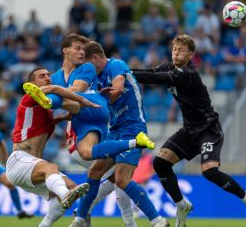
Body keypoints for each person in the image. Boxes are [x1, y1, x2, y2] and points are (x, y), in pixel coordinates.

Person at [25, 34, 157, 226]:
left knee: (118, 177)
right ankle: (83, 217)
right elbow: (59, 97)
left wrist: (52, 92)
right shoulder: (56, 76)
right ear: (65, 50)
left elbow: (76, 90)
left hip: (93, 113)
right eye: (77, 48)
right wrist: (55, 110)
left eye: (82, 49)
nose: (80, 52)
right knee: (104, 173)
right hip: (80, 125)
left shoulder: (86, 68)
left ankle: (137, 221)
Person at [132, 34, 246, 226]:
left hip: (208, 129)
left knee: (209, 172)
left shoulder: (188, 73)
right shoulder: (170, 67)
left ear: (190, 54)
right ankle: (181, 205)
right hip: (190, 129)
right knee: (160, 163)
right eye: (174, 49)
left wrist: (125, 74)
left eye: (181, 50)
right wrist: (123, 71)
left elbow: (155, 78)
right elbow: (149, 71)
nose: (176, 53)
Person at [68, 41, 170, 227]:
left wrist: (102, 96)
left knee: (122, 179)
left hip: (133, 127)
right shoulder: (96, 77)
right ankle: (81, 219)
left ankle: (157, 220)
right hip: (115, 129)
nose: (87, 69)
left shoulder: (116, 65)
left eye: (88, 64)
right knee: (96, 170)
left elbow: (118, 89)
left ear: (97, 57)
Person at [7, 66, 99, 227]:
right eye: (42, 76)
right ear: (32, 83)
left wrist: (64, 117)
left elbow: (42, 124)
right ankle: (65, 195)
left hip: (31, 166)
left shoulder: (46, 108)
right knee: (53, 170)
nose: (47, 77)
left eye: (49, 75)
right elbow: (59, 93)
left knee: (73, 187)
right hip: (19, 160)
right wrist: (82, 99)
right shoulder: (30, 96)